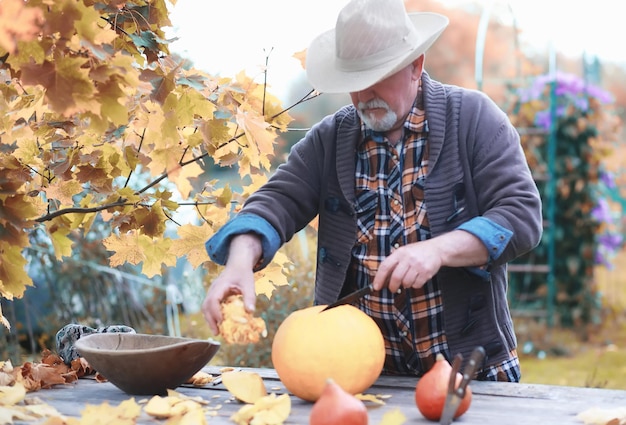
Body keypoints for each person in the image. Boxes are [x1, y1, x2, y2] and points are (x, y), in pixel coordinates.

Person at [202, 0, 542, 381]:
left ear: (416, 65)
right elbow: (275, 202)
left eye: (376, 76)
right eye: (353, 81)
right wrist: (239, 262)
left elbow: (521, 216)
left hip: (473, 372)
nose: (363, 94)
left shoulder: (475, 119)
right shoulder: (330, 140)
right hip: (362, 376)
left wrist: (438, 250)